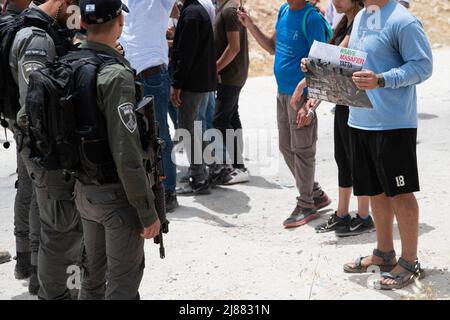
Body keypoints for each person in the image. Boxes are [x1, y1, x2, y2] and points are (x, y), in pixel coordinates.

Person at [340, 0, 432, 290]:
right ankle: (383, 252)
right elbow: (352, 63)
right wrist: (318, 67)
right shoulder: (361, 19)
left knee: (400, 193)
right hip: (359, 120)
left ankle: (409, 262)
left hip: (393, 124)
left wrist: (382, 80)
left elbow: (423, 66)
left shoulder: (403, 21)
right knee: (376, 191)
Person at [75, 0, 161, 300]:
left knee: (92, 280)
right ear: (121, 23)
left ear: (83, 24)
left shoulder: (70, 63)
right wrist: (147, 211)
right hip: (116, 197)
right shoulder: (115, 75)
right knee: (123, 286)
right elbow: (127, 154)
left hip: (83, 192)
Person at [9, 0, 83, 299]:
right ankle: (42, 282)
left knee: (40, 206)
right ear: (66, 3)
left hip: (33, 138)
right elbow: (32, 105)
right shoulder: (37, 37)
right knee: (48, 213)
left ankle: (36, 276)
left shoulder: (44, 28)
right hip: (37, 141)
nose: (77, 18)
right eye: (75, 10)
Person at [238, 0, 331, 228]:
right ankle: (315, 193)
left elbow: (322, 64)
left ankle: (306, 204)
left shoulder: (313, 19)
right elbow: (272, 47)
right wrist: (249, 24)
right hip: (283, 94)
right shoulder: (284, 10)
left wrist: (310, 104)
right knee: (286, 147)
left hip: (302, 98)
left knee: (303, 150)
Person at [292, 0, 374, 237]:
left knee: (357, 161)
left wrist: (308, 82)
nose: (335, 1)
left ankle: (364, 216)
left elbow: (336, 61)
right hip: (343, 102)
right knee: (343, 159)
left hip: (357, 104)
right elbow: (328, 65)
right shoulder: (343, 23)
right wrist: (311, 69)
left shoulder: (359, 24)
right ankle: (341, 214)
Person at [120, 0, 179, 213]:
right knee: (131, 135)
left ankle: (168, 189)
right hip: (126, 74)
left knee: (159, 133)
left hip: (151, 73)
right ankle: (143, 187)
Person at [1, 0, 41, 295]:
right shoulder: (28, 28)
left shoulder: (7, 22)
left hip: (13, 117)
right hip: (27, 122)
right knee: (36, 190)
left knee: (25, 187)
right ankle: (35, 264)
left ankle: (23, 259)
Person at [171, 0, 217, 195]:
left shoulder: (191, 14)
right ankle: (211, 168)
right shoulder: (196, 11)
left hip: (192, 82)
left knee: (186, 128)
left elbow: (186, 53)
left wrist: (177, 84)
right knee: (194, 128)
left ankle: (199, 178)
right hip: (202, 80)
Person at [210, 0, 250, 186]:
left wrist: (215, 69)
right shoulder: (228, 8)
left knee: (220, 120)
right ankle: (238, 163)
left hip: (229, 76)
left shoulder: (229, 10)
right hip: (232, 75)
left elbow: (234, 48)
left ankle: (236, 166)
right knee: (232, 116)